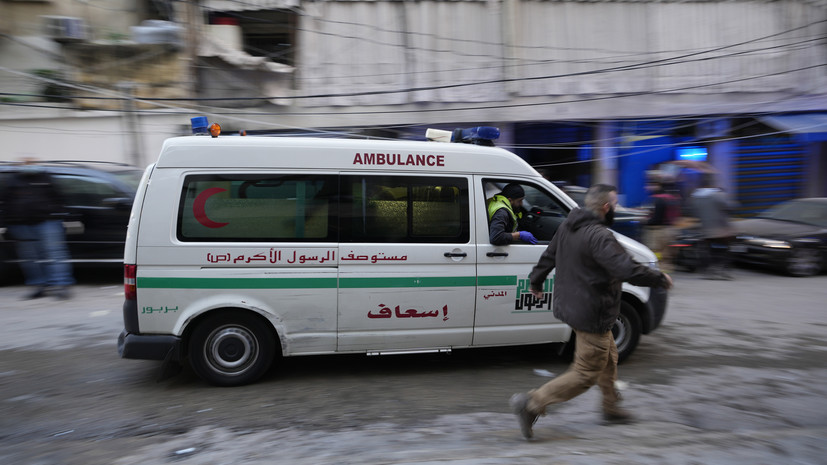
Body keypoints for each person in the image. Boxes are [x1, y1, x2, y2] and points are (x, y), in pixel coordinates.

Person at [509, 184, 672, 440]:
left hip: (574, 307)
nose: (615, 208)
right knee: (585, 372)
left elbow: (549, 256)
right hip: (592, 312)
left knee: (608, 357)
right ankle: (531, 404)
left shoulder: (567, 226)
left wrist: (536, 280)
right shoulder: (600, 235)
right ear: (606, 207)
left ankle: (610, 407)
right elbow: (626, 269)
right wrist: (659, 278)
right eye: (615, 204)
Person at [0, 159, 74, 299]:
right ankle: (39, 286)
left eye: (31, 162)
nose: (29, 165)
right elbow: (5, 203)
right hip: (19, 225)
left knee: (55, 255)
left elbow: (60, 199)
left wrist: (60, 216)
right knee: (30, 259)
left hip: (47, 222)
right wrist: (5, 225)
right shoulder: (13, 180)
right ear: (19, 165)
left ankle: (61, 286)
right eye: (25, 163)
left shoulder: (46, 177)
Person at [689, 175, 736, 280]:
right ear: (712, 183)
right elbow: (730, 207)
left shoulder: (695, 197)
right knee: (724, 250)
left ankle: (707, 271)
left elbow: (694, 213)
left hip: (704, 229)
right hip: (721, 228)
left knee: (706, 250)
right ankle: (722, 270)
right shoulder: (717, 195)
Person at [643, 180, 681, 270]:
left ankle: (659, 273)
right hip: (671, 229)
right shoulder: (672, 198)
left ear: (657, 185)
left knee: (656, 252)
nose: (646, 187)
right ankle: (666, 273)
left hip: (658, 231)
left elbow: (656, 218)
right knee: (666, 254)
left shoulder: (658, 199)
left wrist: (644, 221)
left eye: (649, 185)